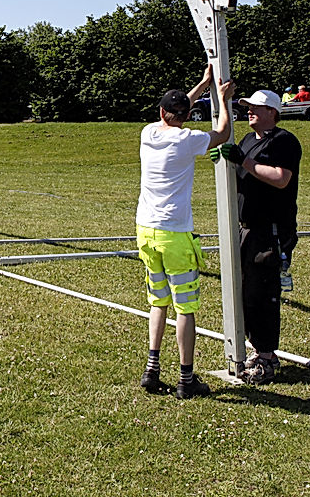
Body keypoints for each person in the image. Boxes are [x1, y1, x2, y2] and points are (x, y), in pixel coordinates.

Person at [136, 64, 236, 399]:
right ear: (186, 115)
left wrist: (201, 85)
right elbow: (221, 133)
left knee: (158, 302)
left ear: (161, 112)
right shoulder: (189, 139)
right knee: (186, 308)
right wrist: (221, 99)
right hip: (175, 234)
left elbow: (176, 112)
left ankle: (152, 368)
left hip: (146, 231)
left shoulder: (149, 132)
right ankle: (186, 378)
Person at [209, 89, 302, 385]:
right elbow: (245, 176)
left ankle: (265, 357)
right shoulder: (249, 140)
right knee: (245, 291)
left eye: (256, 108)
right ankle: (256, 350)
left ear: (272, 112)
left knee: (262, 292)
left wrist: (244, 162)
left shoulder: (283, 141)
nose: (249, 112)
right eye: (247, 107)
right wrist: (225, 163)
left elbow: (281, 178)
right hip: (246, 226)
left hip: (270, 229)